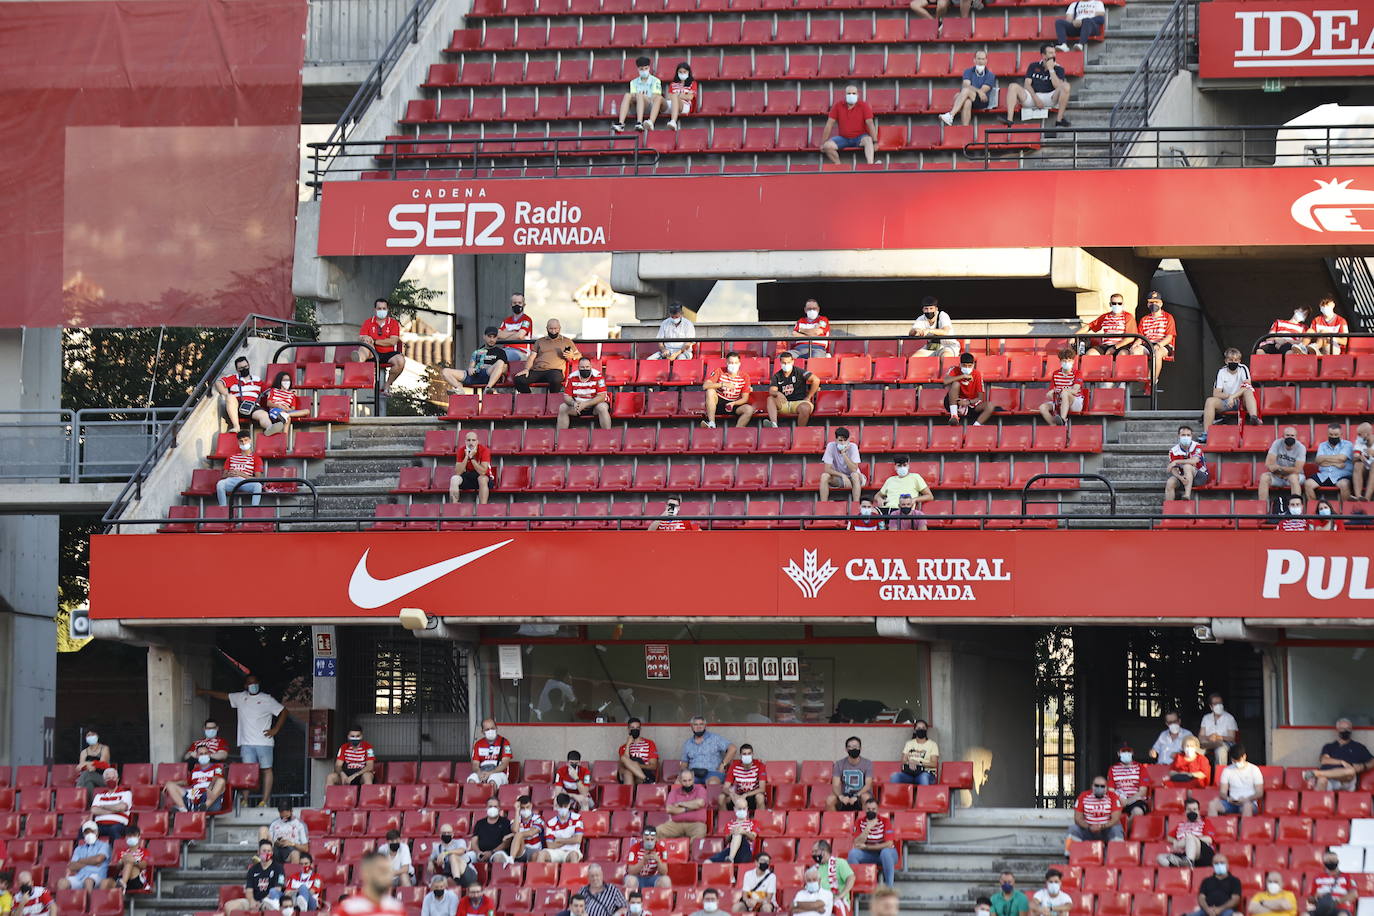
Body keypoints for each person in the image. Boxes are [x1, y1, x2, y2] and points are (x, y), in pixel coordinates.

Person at [196, 674, 288, 806]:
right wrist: (203, 691)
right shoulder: (240, 697)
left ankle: (264, 801)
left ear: (259, 683)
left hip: (264, 742)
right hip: (246, 743)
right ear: (245, 686)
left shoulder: (267, 699)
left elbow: (284, 711)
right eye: (250, 683)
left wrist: (276, 729)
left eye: (255, 682)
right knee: (247, 772)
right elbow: (224, 696)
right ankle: (245, 800)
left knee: (266, 770)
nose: (253, 685)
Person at [1003, 45, 1071, 128]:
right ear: (1043, 55)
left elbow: (1057, 86)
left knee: (1066, 86)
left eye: (1054, 53)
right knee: (1012, 86)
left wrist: (1051, 70)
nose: (1053, 55)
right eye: (1050, 53)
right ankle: (1009, 121)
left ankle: (1059, 120)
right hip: (1032, 96)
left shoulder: (1059, 69)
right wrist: (1035, 98)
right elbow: (1027, 84)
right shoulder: (1033, 66)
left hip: (1050, 97)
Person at [1198, 349, 1259, 442]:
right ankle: (1207, 433)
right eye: (1230, 360)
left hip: (1242, 400)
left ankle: (1254, 418)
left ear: (1239, 361)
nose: (1233, 362)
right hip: (1227, 402)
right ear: (1226, 361)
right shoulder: (1221, 372)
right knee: (1210, 401)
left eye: (1236, 360)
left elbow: (1247, 385)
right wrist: (1229, 397)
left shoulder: (1243, 368)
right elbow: (1216, 393)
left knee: (1248, 391)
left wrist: (1233, 397)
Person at [514, 320, 582, 394]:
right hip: (538, 370)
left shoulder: (567, 341)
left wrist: (572, 356)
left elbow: (579, 355)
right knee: (519, 379)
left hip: (555, 371)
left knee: (556, 379)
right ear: (547, 328)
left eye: (556, 328)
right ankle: (530, 398)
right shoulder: (540, 341)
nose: (553, 331)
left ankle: (552, 399)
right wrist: (526, 369)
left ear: (559, 328)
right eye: (551, 329)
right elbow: (531, 357)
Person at [1305, 718, 1373, 791]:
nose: (1345, 731)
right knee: (1322, 781)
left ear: (1351, 730)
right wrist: (1342, 762)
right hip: (1329, 780)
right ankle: (1319, 802)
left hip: (1346, 781)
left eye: (1348, 728)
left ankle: (1315, 773)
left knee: (1350, 771)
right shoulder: (1329, 746)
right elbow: (1324, 760)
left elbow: (1372, 761)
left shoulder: (1358, 747)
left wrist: (1363, 766)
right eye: (1342, 728)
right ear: (1337, 730)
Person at [330, 851, 406, 916]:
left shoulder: (397, 909)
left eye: (389, 871)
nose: (387, 876)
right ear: (366, 873)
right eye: (382, 871)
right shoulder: (348, 909)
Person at [358, 298, 405, 396]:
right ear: (375, 309)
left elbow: (393, 341)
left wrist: (374, 341)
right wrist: (366, 338)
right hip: (371, 353)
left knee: (400, 361)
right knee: (365, 345)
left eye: (384, 308)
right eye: (379, 308)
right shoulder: (368, 322)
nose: (382, 311)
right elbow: (361, 337)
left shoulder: (393, 323)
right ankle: (357, 371)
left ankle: (387, 385)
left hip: (388, 354)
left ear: (387, 309)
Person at [847, 798, 898, 887]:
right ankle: (857, 885)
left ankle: (889, 888)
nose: (871, 811)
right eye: (868, 809)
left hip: (887, 855)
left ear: (877, 810)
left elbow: (889, 844)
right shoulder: (859, 822)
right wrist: (868, 828)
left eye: (873, 809)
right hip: (869, 855)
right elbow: (857, 844)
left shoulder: (885, 821)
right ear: (864, 809)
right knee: (853, 854)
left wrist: (866, 847)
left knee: (885, 852)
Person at [819, 87, 877, 165]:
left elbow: (870, 123)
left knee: (868, 140)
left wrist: (875, 142)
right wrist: (823, 142)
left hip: (860, 137)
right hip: (843, 138)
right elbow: (829, 124)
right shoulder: (838, 106)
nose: (851, 95)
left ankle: (870, 165)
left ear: (858, 95)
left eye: (853, 93)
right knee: (827, 146)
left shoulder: (864, 105)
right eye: (849, 93)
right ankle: (839, 166)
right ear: (845, 95)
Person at [224, 841, 285, 913]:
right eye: (264, 851)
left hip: (269, 901)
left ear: (272, 852)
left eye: (269, 851)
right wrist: (252, 901)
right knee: (228, 906)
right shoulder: (253, 869)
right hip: (254, 901)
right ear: (258, 852)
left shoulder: (279, 868)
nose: (267, 853)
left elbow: (278, 889)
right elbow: (249, 890)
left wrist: (262, 901)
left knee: (271, 904)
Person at [441, 327, 507, 393]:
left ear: (497, 337)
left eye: (494, 337)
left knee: (500, 362)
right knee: (445, 371)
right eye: (489, 337)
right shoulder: (478, 351)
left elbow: (504, 369)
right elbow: (471, 366)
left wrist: (488, 367)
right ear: (484, 337)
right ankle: (459, 388)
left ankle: (488, 388)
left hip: (488, 375)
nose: (492, 339)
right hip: (475, 375)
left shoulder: (501, 352)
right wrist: (471, 369)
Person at [765, 350, 820, 429]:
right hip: (784, 403)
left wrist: (808, 397)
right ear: (780, 362)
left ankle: (800, 431)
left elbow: (816, 380)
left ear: (792, 361)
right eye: (784, 363)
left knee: (805, 408)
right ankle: (774, 425)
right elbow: (772, 391)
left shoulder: (799, 372)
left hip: (799, 402)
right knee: (770, 399)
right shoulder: (777, 376)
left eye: (788, 362)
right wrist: (777, 393)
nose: (786, 365)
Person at [1156, 797, 1216, 868]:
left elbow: (1209, 839)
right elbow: (1169, 837)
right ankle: (1182, 863)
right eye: (1189, 810)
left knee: (1189, 837)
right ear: (1185, 811)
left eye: (1195, 809)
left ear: (1199, 811)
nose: (1192, 812)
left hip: (1203, 853)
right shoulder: (1180, 825)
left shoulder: (1205, 822)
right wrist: (1175, 841)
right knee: (1160, 858)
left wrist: (1185, 841)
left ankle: (1188, 862)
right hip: (1185, 853)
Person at [941, 51, 996, 127]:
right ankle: (965, 128)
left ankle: (951, 114)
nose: (980, 61)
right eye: (979, 59)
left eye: (983, 59)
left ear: (986, 61)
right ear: (974, 60)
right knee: (967, 102)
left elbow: (983, 91)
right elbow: (966, 85)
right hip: (970, 97)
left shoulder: (990, 75)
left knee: (964, 92)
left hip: (982, 101)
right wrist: (978, 91)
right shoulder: (968, 71)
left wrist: (975, 90)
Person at [1079, 294, 1144, 358]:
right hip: (1105, 345)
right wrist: (1074, 336)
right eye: (1114, 303)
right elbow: (1089, 326)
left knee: (1123, 354)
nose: (1117, 305)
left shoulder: (1128, 317)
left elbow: (1130, 338)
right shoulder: (1105, 317)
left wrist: (1114, 347)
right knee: (1090, 354)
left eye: (1119, 303)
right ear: (1110, 304)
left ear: (1123, 304)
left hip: (1121, 346)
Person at [702, 352, 755, 429]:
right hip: (718, 403)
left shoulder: (745, 376)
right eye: (731, 363)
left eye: (735, 363)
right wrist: (722, 384)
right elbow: (705, 386)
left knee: (749, 409)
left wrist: (734, 403)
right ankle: (712, 423)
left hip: (734, 403)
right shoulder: (719, 371)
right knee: (710, 391)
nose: (733, 365)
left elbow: (745, 398)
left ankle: (737, 430)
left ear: (739, 364)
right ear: (726, 363)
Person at [1208, 745, 1263, 817]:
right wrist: (1228, 799)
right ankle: (1213, 828)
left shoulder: (1254, 769)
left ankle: (1244, 828)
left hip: (1249, 802)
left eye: (1238, 761)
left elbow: (1259, 793)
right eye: (1234, 761)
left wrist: (1247, 799)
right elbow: (1222, 792)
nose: (1236, 763)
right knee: (1212, 804)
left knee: (1247, 806)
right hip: (1232, 803)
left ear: (1244, 756)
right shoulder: (1227, 770)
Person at [944, 352, 997, 426]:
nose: (967, 368)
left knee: (990, 405)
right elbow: (945, 381)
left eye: (969, 366)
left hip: (971, 404)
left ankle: (976, 426)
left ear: (973, 365)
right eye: (964, 366)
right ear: (960, 364)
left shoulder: (977, 374)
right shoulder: (954, 369)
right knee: (956, 384)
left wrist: (968, 402)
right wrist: (962, 376)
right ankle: (954, 416)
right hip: (955, 401)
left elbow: (980, 397)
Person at [1306, 424, 1355, 502]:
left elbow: (1342, 458)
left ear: (1341, 435)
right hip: (1324, 475)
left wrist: (1324, 459)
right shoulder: (1322, 445)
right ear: (1327, 434)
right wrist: (1336, 463)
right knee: (1308, 484)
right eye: (1331, 434)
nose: (1333, 436)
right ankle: (1314, 510)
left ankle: (1345, 511)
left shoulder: (1347, 444)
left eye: (1336, 435)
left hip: (1341, 475)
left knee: (1344, 485)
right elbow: (1318, 460)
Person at [559, 358, 612, 431]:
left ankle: (607, 435)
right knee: (563, 407)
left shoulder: (598, 376)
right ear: (578, 367)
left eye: (587, 367)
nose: (585, 369)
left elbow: (602, 397)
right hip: (578, 406)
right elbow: (567, 396)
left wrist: (585, 404)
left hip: (595, 406)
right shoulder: (571, 377)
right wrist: (573, 403)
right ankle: (560, 437)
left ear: (591, 366)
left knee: (602, 407)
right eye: (582, 367)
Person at [1259, 427, 1306, 507]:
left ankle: (1296, 508)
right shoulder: (1277, 443)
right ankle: (1262, 508)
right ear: (1283, 436)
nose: (1290, 437)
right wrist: (1278, 471)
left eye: (1292, 435)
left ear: (1296, 437)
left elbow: (1297, 469)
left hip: (1295, 476)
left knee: (1293, 478)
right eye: (1287, 435)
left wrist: (1280, 468)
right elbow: (1268, 464)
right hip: (1278, 475)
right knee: (1264, 477)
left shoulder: (1301, 447)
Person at [216, 355, 264, 434]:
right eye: (241, 368)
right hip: (238, 407)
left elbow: (268, 390)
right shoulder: (234, 378)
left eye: (246, 366)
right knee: (230, 397)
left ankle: (270, 429)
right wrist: (226, 394)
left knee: (264, 415)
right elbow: (218, 383)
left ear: (249, 365)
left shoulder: (257, 379)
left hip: (253, 407)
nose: (244, 369)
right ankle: (236, 426)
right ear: (237, 370)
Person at [658, 767, 710, 841]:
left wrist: (680, 804)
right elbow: (669, 809)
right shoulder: (674, 792)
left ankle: (691, 852)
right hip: (676, 824)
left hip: (696, 824)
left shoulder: (700, 789)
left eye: (690, 780)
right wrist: (688, 808)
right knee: (658, 831)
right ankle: (664, 852)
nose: (688, 783)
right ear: (680, 780)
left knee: (699, 834)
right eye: (684, 781)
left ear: (693, 779)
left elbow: (700, 803)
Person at [1138, 290, 1177, 388]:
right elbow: (1140, 337)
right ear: (1147, 304)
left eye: (1156, 302)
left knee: (1157, 352)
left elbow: (1169, 337)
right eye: (1151, 302)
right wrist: (1135, 345)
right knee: (1135, 350)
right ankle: (1143, 378)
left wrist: (1158, 345)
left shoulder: (1168, 317)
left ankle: (1152, 381)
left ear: (1161, 303)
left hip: (1163, 344)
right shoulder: (1144, 319)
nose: (1153, 304)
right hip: (1147, 343)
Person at [613, 57, 663, 133]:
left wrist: (642, 97)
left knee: (639, 96)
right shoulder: (633, 82)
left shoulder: (655, 81)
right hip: (637, 106)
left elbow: (655, 97)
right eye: (641, 69)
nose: (644, 71)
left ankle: (639, 122)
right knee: (627, 95)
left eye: (646, 68)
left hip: (650, 106)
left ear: (649, 68)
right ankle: (621, 124)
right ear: (638, 69)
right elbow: (632, 96)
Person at [681, 716, 736, 785]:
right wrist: (684, 774)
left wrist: (723, 765)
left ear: (705, 726)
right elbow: (684, 763)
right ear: (691, 727)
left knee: (712, 783)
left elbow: (733, 748)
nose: (699, 727)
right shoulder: (688, 743)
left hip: (712, 773)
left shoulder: (715, 738)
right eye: (695, 725)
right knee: (678, 783)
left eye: (701, 724)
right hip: (693, 774)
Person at [217, 429, 264, 508]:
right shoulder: (231, 457)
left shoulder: (256, 458)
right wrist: (229, 474)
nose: (244, 443)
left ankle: (254, 509)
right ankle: (223, 508)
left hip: (246, 481)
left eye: (246, 440)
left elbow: (258, 478)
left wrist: (241, 474)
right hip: (232, 480)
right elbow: (224, 475)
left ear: (250, 440)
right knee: (220, 484)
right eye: (241, 441)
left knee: (258, 486)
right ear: (238, 442)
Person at [57, 822, 110, 892]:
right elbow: (72, 866)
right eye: (87, 832)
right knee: (62, 882)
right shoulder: (79, 849)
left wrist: (80, 861)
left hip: (97, 876)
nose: (89, 834)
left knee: (88, 881)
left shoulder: (104, 845)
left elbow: (98, 859)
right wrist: (92, 862)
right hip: (80, 877)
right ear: (83, 834)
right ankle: (62, 903)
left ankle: (89, 902)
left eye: (92, 831)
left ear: (97, 832)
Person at [1068, 776, 1123, 842]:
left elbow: (1115, 819)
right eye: (1096, 786)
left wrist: (1101, 826)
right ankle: (1072, 852)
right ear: (1092, 786)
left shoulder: (1113, 796)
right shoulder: (1083, 796)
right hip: (1087, 830)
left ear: (1106, 788)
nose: (1099, 788)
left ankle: (1115, 852)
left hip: (1106, 830)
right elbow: (1077, 818)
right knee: (1073, 829)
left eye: (1102, 786)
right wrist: (1089, 827)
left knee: (1116, 829)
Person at [1038, 347, 1085, 426]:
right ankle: (1055, 425)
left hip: (1075, 402)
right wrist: (1050, 394)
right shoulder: (1056, 373)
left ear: (1073, 361)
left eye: (1069, 360)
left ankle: (1063, 419)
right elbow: (1050, 392)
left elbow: (1075, 391)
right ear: (1060, 361)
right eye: (1064, 360)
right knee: (1042, 407)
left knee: (1064, 393)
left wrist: (1062, 391)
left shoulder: (1077, 373)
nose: (1066, 362)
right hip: (1059, 401)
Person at [447, 430, 495, 506]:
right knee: (454, 479)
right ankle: (454, 506)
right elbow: (458, 472)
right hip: (468, 477)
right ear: (465, 441)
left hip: (484, 478)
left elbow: (483, 472)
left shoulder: (484, 450)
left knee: (482, 479)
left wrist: (472, 458)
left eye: (473, 440)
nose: (471, 443)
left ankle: (483, 507)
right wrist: (466, 456)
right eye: (468, 440)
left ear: (477, 441)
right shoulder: (461, 450)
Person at [254, 371, 308, 437]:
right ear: (280, 381)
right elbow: (269, 403)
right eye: (285, 380)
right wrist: (279, 406)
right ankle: (284, 439)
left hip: (287, 411)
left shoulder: (291, 394)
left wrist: (288, 410)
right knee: (288, 419)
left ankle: (285, 415)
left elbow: (293, 408)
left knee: (307, 411)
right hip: (275, 410)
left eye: (288, 380)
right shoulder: (273, 390)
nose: (287, 382)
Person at [827, 736, 873, 812]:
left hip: (860, 795)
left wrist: (856, 796)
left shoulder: (867, 763)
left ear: (860, 748)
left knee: (866, 798)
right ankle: (835, 823)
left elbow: (868, 784)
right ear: (846, 749)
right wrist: (841, 797)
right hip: (845, 795)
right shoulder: (839, 764)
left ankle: (864, 823)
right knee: (830, 800)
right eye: (850, 747)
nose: (853, 749)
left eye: (855, 747)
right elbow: (835, 785)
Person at [819, 427, 864, 501]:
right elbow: (827, 469)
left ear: (849, 440)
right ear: (836, 440)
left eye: (845, 440)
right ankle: (824, 504)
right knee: (824, 476)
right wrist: (842, 475)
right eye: (840, 440)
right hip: (840, 478)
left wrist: (844, 454)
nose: (843, 443)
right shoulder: (830, 446)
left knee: (855, 475)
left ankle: (856, 504)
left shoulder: (853, 447)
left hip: (855, 478)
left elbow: (854, 469)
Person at [810, 840, 854, 916]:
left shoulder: (840, 862)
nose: (813, 854)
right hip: (819, 899)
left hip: (836, 899)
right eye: (812, 852)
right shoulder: (814, 868)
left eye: (815, 851)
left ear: (823, 852)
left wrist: (841, 895)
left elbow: (851, 878)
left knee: (838, 904)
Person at [1165, 425, 1209, 501]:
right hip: (1183, 478)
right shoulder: (1173, 451)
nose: (1186, 437)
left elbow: (1194, 461)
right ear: (1179, 436)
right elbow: (1173, 468)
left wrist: (1176, 461)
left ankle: (1187, 495)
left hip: (1199, 477)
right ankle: (1169, 509)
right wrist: (1180, 478)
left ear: (1191, 436)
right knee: (1170, 482)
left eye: (1188, 435)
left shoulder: (1197, 446)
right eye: (1183, 435)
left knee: (1187, 466)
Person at [720, 743, 767, 813]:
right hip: (738, 795)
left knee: (760, 797)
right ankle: (725, 821)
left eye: (749, 753)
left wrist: (746, 795)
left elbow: (762, 789)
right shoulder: (734, 766)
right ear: (740, 755)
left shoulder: (760, 765)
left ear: (752, 754)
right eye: (744, 754)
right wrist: (733, 795)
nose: (747, 756)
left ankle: (760, 822)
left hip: (752, 795)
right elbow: (725, 787)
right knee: (721, 797)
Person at [539, 793, 585, 864]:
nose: (563, 808)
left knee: (574, 856)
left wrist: (559, 840)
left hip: (572, 851)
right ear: (557, 806)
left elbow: (578, 840)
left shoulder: (577, 818)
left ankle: (573, 875)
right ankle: (539, 875)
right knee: (542, 854)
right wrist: (570, 840)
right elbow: (550, 845)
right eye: (561, 806)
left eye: (565, 806)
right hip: (556, 852)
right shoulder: (550, 823)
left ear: (569, 805)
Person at [891, 720, 939, 786]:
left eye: (923, 728)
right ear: (915, 730)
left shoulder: (932, 744)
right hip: (910, 774)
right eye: (918, 728)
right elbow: (903, 760)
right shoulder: (909, 743)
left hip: (926, 774)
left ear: (926, 730)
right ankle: (896, 796)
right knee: (895, 776)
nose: (921, 730)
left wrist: (919, 763)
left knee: (924, 778)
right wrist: (910, 762)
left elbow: (934, 764)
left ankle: (924, 796)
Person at [1308, 852, 1357, 916]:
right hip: (1322, 909)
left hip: (1341, 909)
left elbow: (1354, 894)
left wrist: (1336, 901)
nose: (1330, 862)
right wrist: (1316, 897)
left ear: (1338, 861)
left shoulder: (1347, 876)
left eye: (1333, 860)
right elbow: (1310, 899)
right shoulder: (1317, 877)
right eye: (1328, 860)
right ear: (1324, 862)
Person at [468, 718, 513, 787]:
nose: (490, 731)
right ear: (482, 731)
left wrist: (490, 773)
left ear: (496, 728)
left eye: (492, 728)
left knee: (492, 782)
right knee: (471, 780)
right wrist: (479, 773)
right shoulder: (478, 744)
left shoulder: (505, 742)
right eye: (487, 729)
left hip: (499, 773)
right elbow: (475, 764)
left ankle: (491, 798)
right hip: (482, 772)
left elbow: (505, 763)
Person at [89, 769, 132, 841]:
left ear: (117, 779)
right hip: (99, 825)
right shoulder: (99, 795)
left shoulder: (126, 793)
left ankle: (114, 851)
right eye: (108, 778)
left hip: (118, 825)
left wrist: (103, 806)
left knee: (114, 830)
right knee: (84, 829)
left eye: (113, 778)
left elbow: (122, 807)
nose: (111, 780)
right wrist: (116, 809)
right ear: (104, 781)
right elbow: (94, 810)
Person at [1107, 746, 1149, 816]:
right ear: (1118, 754)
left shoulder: (1141, 768)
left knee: (1138, 812)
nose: (1126, 753)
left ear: (1132, 753)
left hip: (1136, 800)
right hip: (1118, 800)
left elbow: (1143, 791)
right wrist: (1120, 800)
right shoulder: (1112, 769)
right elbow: (1111, 790)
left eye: (1128, 752)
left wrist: (1128, 801)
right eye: (1123, 752)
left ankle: (1123, 827)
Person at [626, 826, 672, 891]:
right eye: (647, 839)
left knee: (666, 880)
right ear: (643, 838)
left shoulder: (662, 850)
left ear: (656, 838)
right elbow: (630, 871)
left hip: (653, 878)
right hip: (638, 878)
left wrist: (658, 861)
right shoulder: (634, 848)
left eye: (652, 839)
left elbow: (664, 872)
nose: (650, 842)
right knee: (630, 880)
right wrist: (643, 861)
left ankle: (660, 900)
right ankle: (631, 900)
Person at [467, 802, 513, 866]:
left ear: (499, 808)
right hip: (480, 852)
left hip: (497, 852)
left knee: (499, 858)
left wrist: (491, 852)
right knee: (465, 858)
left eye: (495, 806)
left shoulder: (505, 822)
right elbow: (474, 841)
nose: (492, 808)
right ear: (486, 808)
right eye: (490, 806)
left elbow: (507, 843)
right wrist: (479, 853)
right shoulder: (480, 823)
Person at [1199, 694, 1239, 767]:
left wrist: (1219, 737)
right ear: (1211, 706)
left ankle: (1219, 775)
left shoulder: (1229, 718)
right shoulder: (1206, 718)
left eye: (1220, 703)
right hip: (1208, 743)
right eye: (1215, 704)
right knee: (1196, 751)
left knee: (1220, 751)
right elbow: (1200, 736)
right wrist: (1208, 737)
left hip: (1224, 743)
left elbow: (1232, 738)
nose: (1218, 705)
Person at [504, 794, 545, 864]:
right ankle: (511, 859)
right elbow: (515, 830)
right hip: (521, 850)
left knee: (519, 835)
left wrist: (512, 835)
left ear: (531, 806)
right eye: (522, 808)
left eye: (527, 807)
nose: (525, 809)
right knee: (518, 835)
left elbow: (531, 833)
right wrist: (517, 811)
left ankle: (511, 859)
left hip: (535, 850)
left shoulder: (538, 819)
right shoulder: (515, 820)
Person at [618, 717, 659, 785]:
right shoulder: (623, 747)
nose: (635, 730)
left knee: (628, 770)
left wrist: (637, 766)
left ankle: (644, 779)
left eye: (637, 728)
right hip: (629, 774)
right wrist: (628, 744)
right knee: (626, 766)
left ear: (640, 729)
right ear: (628, 730)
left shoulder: (650, 743)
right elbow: (622, 766)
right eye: (632, 728)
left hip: (644, 772)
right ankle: (647, 780)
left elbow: (654, 766)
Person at [497, 294, 534, 365]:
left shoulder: (526, 320)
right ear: (511, 305)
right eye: (514, 303)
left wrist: (506, 334)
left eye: (519, 303)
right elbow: (499, 335)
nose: (517, 305)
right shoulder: (506, 320)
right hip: (506, 350)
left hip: (521, 352)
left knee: (501, 357)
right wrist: (515, 333)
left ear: (524, 304)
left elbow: (520, 335)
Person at [75, 730, 111, 796]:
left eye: (93, 734)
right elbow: (81, 767)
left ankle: (78, 793)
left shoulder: (104, 748)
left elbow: (103, 764)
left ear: (97, 736)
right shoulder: (84, 752)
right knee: (88, 783)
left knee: (87, 774)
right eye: (88, 735)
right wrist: (88, 766)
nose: (90, 736)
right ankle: (92, 804)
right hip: (88, 776)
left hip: (104, 777)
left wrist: (86, 763)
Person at [664, 65, 699, 132]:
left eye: (684, 72)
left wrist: (676, 95)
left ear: (688, 72)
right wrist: (682, 95)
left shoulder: (692, 83)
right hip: (671, 105)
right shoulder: (673, 84)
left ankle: (673, 121)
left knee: (674, 96)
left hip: (685, 106)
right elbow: (668, 97)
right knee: (660, 99)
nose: (682, 74)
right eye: (680, 72)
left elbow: (690, 97)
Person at [1355, 422, 1374, 502]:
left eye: (1359, 434)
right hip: (1365, 470)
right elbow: (1355, 456)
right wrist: (1359, 457)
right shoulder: (1359, 442)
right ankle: (1358, 497)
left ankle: (1367, 498)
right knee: (1357, 464)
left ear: (1366, 434)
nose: (1358, 436)